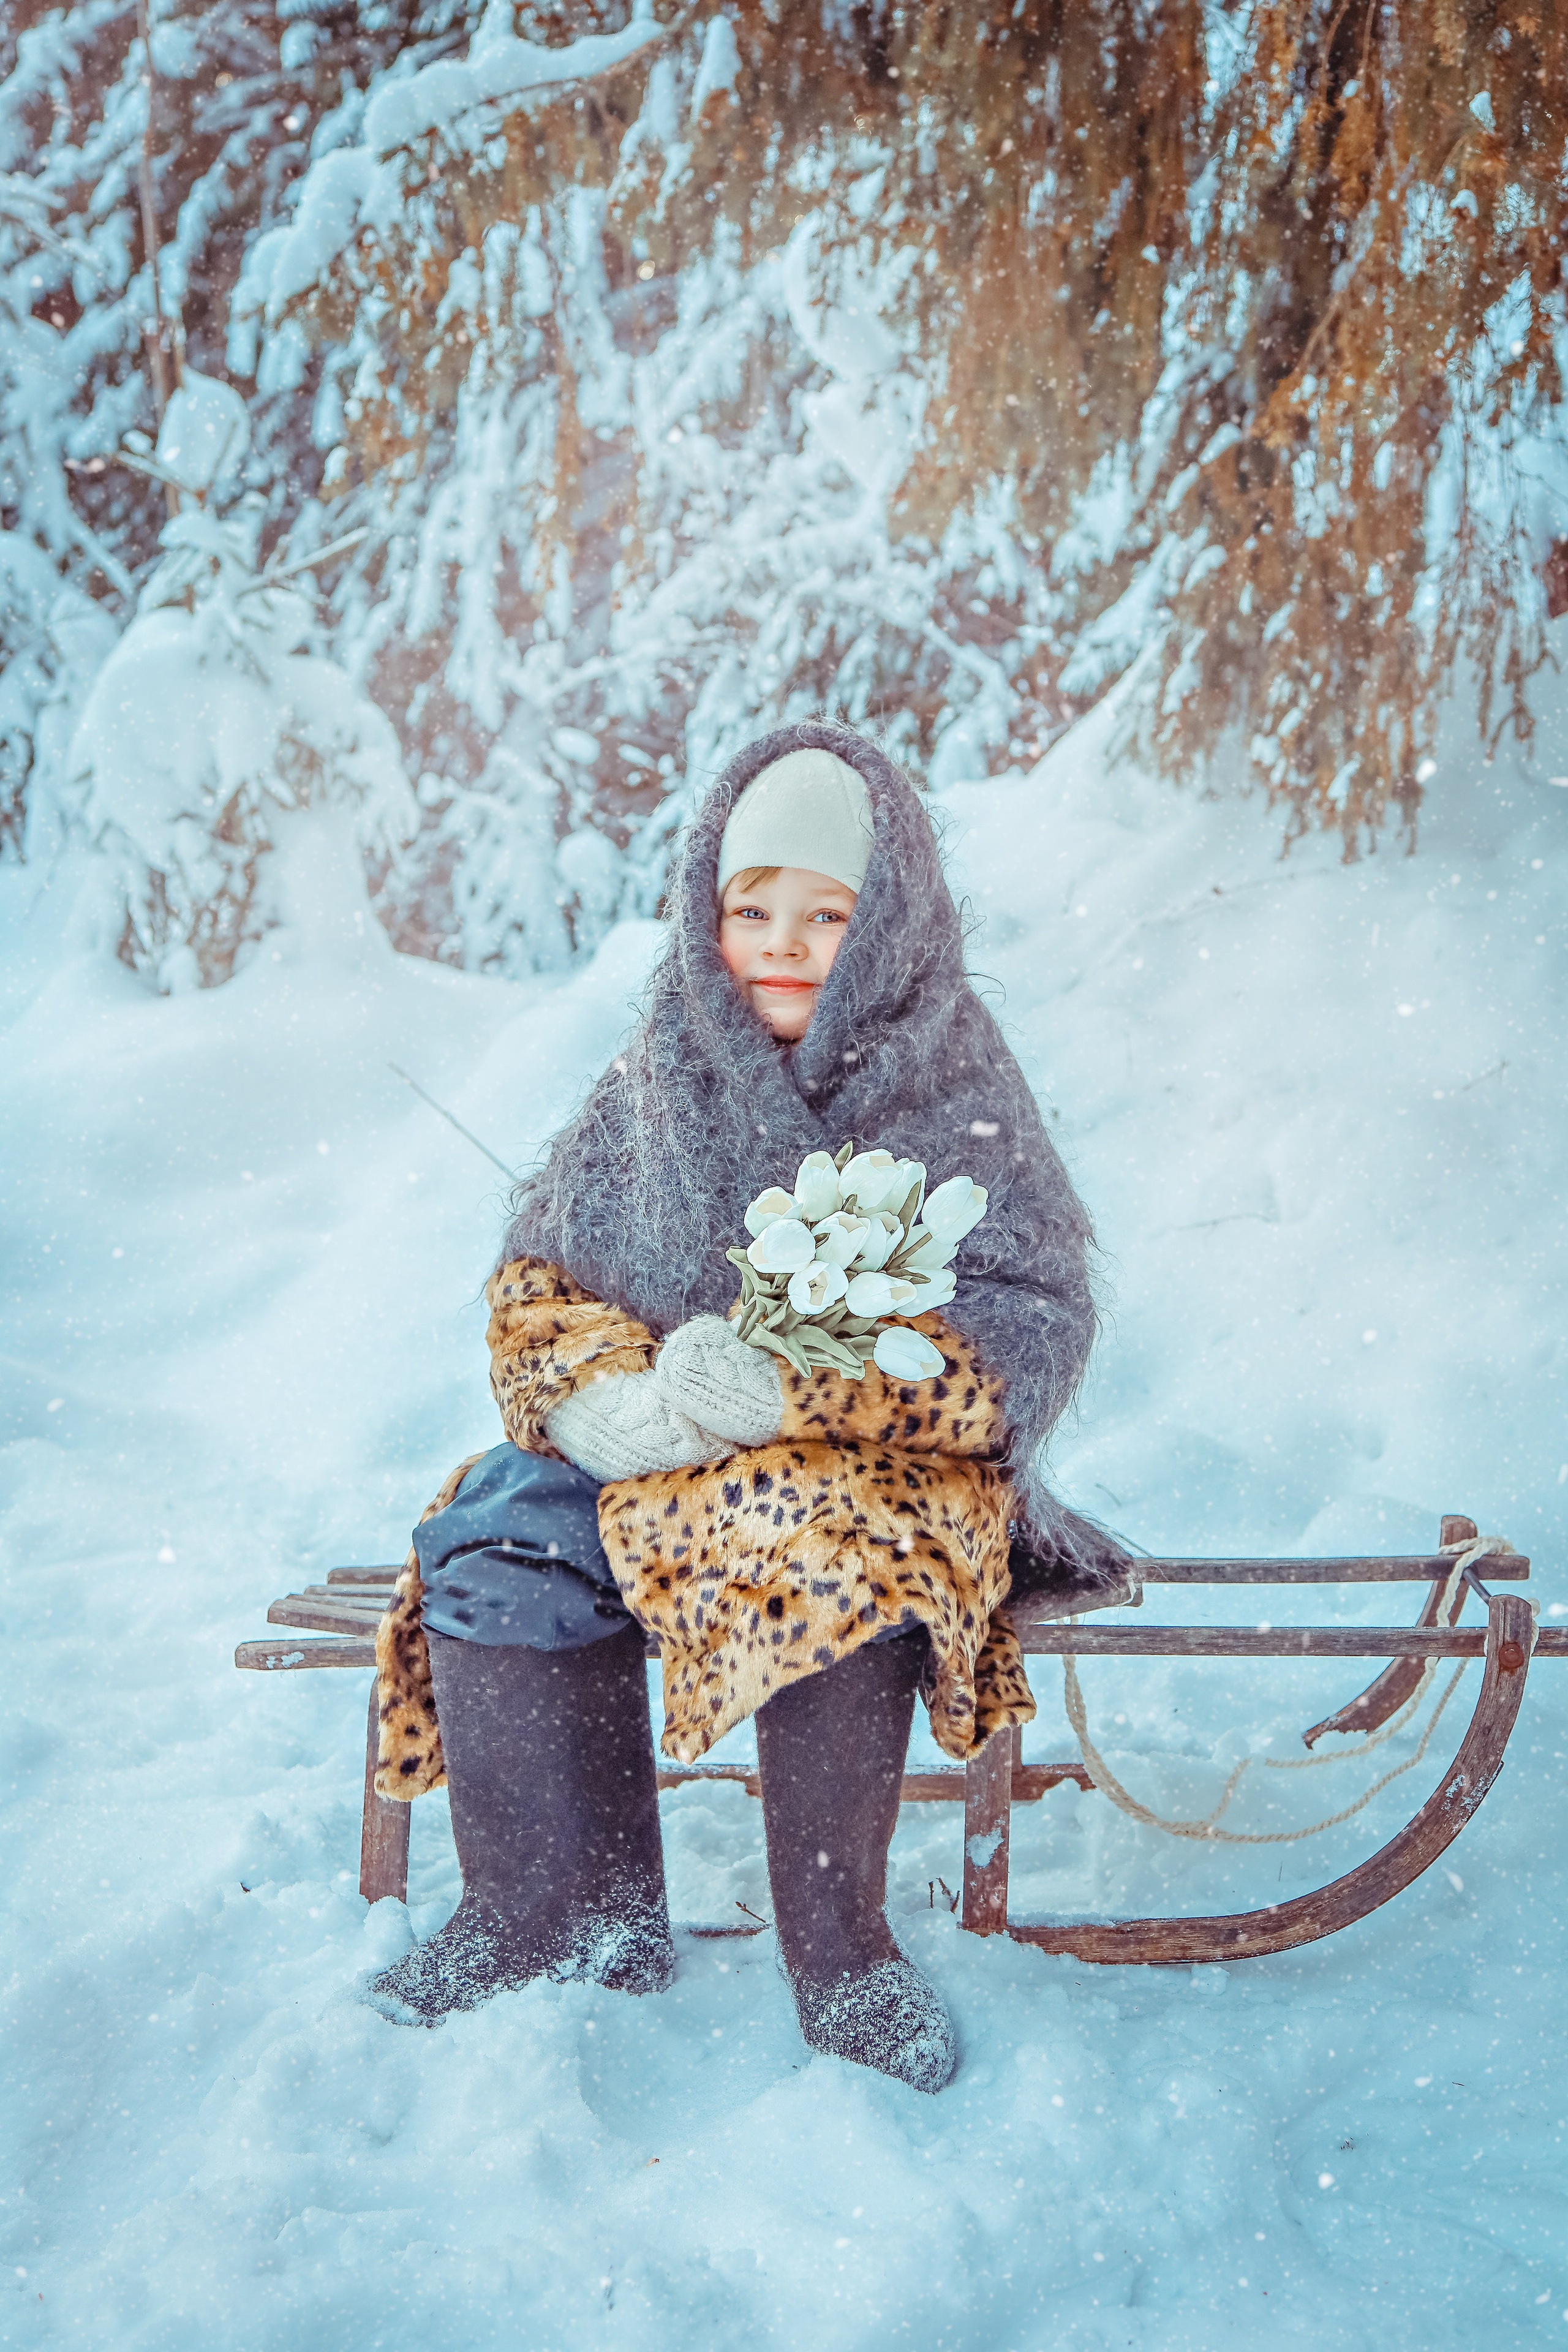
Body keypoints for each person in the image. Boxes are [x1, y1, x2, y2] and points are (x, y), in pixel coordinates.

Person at [367, 723, 1131, 2090]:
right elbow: (540, 1276)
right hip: (662, 1453)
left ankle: (841, 1952)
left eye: (827, 915)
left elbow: (1029, 1321)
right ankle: (555, 1914)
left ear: (886, 923)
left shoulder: (949, 1075)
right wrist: (597, 1398)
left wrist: (810, 1386)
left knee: (831, 1551)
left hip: (870, 1469)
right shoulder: (665, 1063)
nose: (782, 945)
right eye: (751, 909)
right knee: (500, 1528)